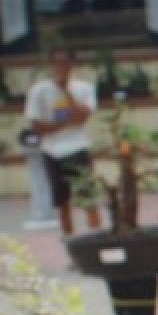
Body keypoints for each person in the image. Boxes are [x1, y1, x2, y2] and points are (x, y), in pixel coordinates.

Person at [24, 47, 101, 236]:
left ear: (72, 64)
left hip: (78, 148)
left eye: (64, 62)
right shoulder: (38, 90)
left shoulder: (84, 88)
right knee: (62, 201)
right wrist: (67, 122)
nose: (61, 66)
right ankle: (69, 240)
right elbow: (37, 127)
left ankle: (96, 237)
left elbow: (83, 117)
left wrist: (65, 91)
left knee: (88, 197)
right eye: (57, 62)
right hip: (52, 150)